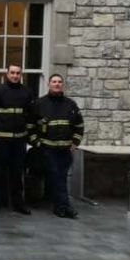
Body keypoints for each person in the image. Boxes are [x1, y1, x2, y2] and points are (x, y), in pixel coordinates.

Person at [32, 74, 84, 219]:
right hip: (48, 149)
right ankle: (64, 207)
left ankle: (59, 207)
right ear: (48, 84)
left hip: (65, 150)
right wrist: (36, 142)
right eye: (54, 82)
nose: (57, 84)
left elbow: (79, 125)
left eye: (60, 82)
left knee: (60, 177)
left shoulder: (71, 105)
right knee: (57, 177)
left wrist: (75, 142)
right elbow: (30, 125)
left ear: (63, 85)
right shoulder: (39, 104)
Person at [0, 64, 35, 215]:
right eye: (12, 73)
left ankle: (18, 203)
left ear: (21, 75)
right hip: (1, 139)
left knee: (17, 173)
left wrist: (29, 137)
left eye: (18, 73)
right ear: (7, 74)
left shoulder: (27, 92)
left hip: (19, 141)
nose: (15, 75)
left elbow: (30, 116)